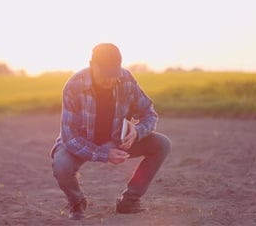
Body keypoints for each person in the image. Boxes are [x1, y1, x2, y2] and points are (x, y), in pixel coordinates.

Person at [50, 43, 171, 220]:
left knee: (162, 144)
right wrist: (104, 154)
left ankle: (129, 200)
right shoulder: (74, 86)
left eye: (114, 74)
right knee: (61, 165)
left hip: (116, 139)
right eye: (105, 74)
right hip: (82, 142)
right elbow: (70, 137)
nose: (110, 80)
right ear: (92, 65)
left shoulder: (126, 79)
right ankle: (76, 202)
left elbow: (149, 114)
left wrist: (137, 131)